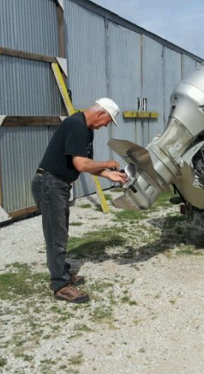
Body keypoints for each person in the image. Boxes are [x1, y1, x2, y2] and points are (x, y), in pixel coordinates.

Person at [31, 98, 128, 303]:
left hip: (58, 185)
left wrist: (109, 174)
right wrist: (107, 164)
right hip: (49, 184)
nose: (106, 126)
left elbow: (82, 165)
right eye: (108, 121)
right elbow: (82, 164)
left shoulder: (85, 128)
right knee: (56, 237)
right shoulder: (76, 126)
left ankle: (63, 273)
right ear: (101, 114)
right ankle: (60, 285)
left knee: (61, 232)